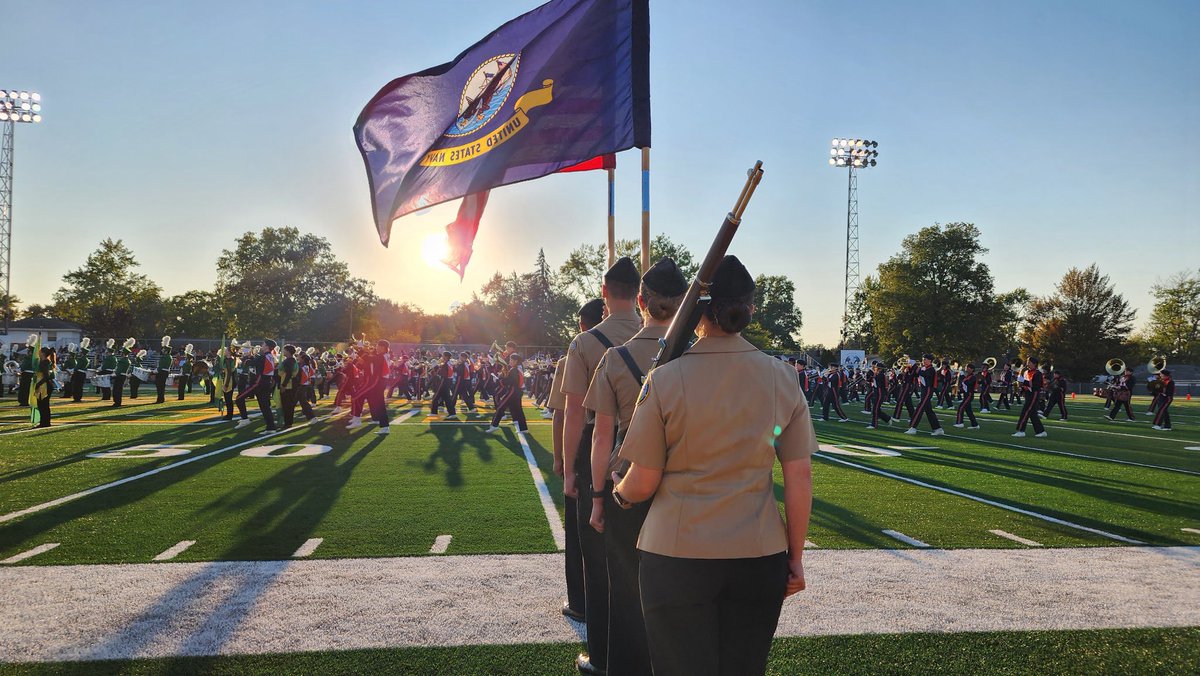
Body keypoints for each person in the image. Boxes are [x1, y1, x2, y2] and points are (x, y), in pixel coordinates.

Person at [612, 256, 815, 676]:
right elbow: (799, 476)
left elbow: (644, 480)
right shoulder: (783, 377)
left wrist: (619, 491)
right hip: (758, 551)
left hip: (676, 551)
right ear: (751, 310)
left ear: (699, 310)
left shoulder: (666, 378)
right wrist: (794, 557)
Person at [584, 258, 687, 676]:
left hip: (625, 482)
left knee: (626, 595)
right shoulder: (695, 355)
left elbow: (600, 436)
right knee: (677, 595)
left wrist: (595, 498)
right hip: (679, 488)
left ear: (640, 300)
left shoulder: (614, 358)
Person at [559, 256, 642, 676]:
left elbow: (575, 412)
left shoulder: (586, 342)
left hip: (598, 446)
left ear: (605, 293)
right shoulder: (662, 337)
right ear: (639, 294)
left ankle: (603, 656)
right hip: (650, 451)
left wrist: (568, 467)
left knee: (596, 560)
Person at [551, 298, 604, 626]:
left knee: (580, 533)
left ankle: (582, 603)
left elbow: (564, 413)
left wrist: (562, 460)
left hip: (588, 443)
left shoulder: (578, 350)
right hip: (636, 447)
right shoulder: (649, 339)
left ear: (583, 324)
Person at [236, 339, 278, 433]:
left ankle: (245, 419)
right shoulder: (270, 356)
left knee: (239, 398)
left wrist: (246, 357)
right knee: (265, 406)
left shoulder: (263, 357)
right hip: (266, 383)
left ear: (267, 346)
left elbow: (248, 364)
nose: (261, 345)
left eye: (263, 344)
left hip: (259, 383)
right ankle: (271, 427)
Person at [905, 354, 944, 436]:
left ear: (930, 361)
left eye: (925, 359)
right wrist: (910, 368)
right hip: (923, 391)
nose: (923, 361)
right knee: (929, 411)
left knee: (920, 408)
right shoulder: (923, 368)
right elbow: (915, 375)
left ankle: (913, 427)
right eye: (923, 359)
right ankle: (938, 429)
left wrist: (915, 367)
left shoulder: (931, 369)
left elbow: (925, 374)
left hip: (928, 390)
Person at [1013, 356, 1047, 438]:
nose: (1027, 364)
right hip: (1028, 394)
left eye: (1029, 362)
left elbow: (1036, 386)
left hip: (1034, 394)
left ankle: (1021, 430)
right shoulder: (1026, 372)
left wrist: (1023, 381)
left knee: (1025, 412)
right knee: (1032, 414)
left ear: (1034, 364)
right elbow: (1025, 383)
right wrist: (1020, 388)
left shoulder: (1037, 373)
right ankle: (1041, 431)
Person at [866, 360, 893, 429]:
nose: (875, 368)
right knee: (877, 409)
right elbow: (869, 380)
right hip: (876, 393)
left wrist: (872, 372)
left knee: (875, 410)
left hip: (880, 394)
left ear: (880, 369)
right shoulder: (878, 374)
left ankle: (874, 425)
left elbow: (875, 378)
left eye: (876, 368)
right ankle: (887, 418)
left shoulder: (881, 375)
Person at [953, 363, 980, 429]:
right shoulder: (968, 376)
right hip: (966, 395)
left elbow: (967, 384)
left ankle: (960, 422)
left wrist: (962, 377)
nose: (966, 368)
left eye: (968, 367)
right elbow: (964, 386)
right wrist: (959, 390)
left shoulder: (973, 377)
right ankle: (975, 425)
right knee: (969, 411)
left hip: (969, 395)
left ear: (972, 369)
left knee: (961, 407)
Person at [33, 346, 55, 427]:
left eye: (40, 351)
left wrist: (38, 385)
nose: (38, 352)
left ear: (43, 353)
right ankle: (45, 422)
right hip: (45, 384)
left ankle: (44, 422)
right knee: (43, 405)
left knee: (43, 405)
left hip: (44, 385)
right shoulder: (46, 361)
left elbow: (46, 376)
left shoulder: (44, 362)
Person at [155, 336, 172, 404]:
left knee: (159, 386)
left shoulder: (165, 357)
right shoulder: (169, 356)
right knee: (162, 386)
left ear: (166, 351)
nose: (162, 350)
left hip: (162, 372)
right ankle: (161, 399)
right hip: (165, 372)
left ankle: (160, 399)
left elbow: (161, 365)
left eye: (163, 349)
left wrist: (156, 370)